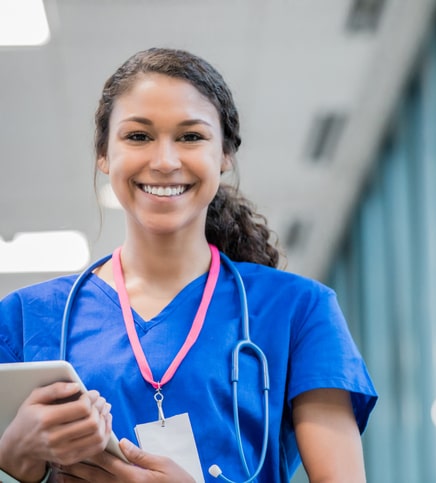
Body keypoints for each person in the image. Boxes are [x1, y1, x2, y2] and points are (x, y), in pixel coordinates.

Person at [0, 47, 377, 483]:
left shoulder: (298, 311)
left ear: (224, 155)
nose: (164, 161)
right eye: (138, 136)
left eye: (191, 137)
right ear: (103, 154)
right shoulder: (25, 320)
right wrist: (14, 457)